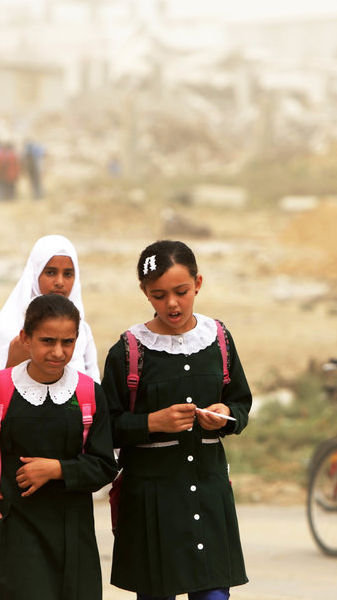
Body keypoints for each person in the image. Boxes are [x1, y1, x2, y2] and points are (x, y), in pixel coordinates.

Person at [103, 240, 251, 600]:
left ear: (198, 283)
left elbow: (241, 402)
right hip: (153, 504)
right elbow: (105, 427)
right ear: (144, 293)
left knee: (215, 595)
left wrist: (226, 415)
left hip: (209, 492)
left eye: (181, 291)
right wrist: (152, 422)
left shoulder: (218, 339)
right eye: (159, 295)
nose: (172, 303)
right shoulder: (128, 351)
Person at [0, 294, 118, 600]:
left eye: (67, 342)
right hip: (17, 528)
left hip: (74, 532)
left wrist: (58, 469)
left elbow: (105, 465)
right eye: (47, 341)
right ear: (25, 339)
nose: (58, 352)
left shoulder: (88, 393)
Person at [0, 234, 99, 386]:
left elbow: (94, 387)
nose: (60, 282)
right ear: (34, 274)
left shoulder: (82, 330)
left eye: (68, 274)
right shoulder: (9, 329)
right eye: (50, 272)